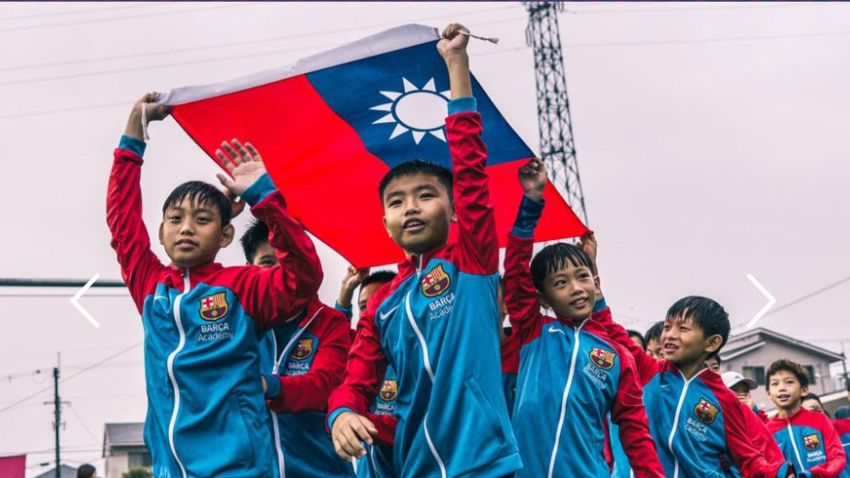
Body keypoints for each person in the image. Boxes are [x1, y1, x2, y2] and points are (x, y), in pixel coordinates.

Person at [327, 23, 522, 478]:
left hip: (485, 466)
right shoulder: (382, 305)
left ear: (455, 213)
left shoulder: (471, 262)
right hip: (414, 468)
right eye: (396, 202)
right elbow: (355, 382)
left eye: (425, 195)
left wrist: (457, 66)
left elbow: (472, 172)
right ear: (385, 224)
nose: (410, 208)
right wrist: (342, 413)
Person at [107, 94, 322, 478]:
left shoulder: (242, 287)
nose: (187, 227)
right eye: (176, 219)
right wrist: (133, 131)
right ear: (160, 232)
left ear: (224, 236)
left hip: (240, 469)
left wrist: (263, 196)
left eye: (202, 219)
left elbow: (303, 277)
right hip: (170, 469)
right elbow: (122, 222)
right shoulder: (151, 286)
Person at [503, 157, 664, 478]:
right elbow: (516, 271)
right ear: (542, 297)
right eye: (561, 283)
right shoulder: (534, 330)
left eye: (582, 277)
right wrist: (531, 202)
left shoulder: (617, 355)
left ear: (597, 282)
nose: (576, 289)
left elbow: (635, 431)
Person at [594, 277, 796, 477]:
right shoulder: (651, 372)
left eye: (683, 329)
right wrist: (594, 288)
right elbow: (613, 334)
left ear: (711, 343)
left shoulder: (725, 401)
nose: (670, 335)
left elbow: (748, 459)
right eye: (667, 327)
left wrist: (779, 473)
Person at [240, 220, 354, 478]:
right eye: (267, 263)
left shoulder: (331, 322)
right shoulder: (239, 327)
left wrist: (269, 385)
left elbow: (324, 387)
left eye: (288, 262)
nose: (280, 273)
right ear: (249, 270)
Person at [766, 360, 846, 477]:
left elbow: (837, 457)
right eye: (775, 384)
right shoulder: (767, 431)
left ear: (803, 390)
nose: (782, 388)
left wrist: (813, 474)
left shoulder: (820, 420)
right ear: (769, 393)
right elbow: (767, 468)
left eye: (789, 382)